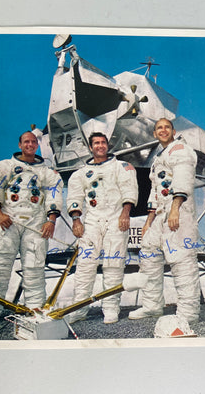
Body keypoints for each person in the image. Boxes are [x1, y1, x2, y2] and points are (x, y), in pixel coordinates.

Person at [0, 131, 64, 327]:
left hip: (35, 225)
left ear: (37, 145)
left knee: (34, 269)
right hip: (8, 221)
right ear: (20, 144)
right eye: (26, 141)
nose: (30, 144)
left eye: (33, 142)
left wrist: (51, 221)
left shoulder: (47, 172)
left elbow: (54, 195)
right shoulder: (4, 167)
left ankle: (34, 310)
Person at [128, 118, 201, 323]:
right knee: (148, 254)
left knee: (181, 260)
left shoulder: (180, 149)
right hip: (160, 214)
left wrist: (175, 209)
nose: (163, 130)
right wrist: (148, 222)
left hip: (178, 211)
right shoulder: (158, 158)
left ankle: (188, 313)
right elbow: (155, 191)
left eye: (166, 127)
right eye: (159, 128)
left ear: (173, 131)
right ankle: (152, 305)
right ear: (154, 133)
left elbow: (183, 179)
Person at [67, 132, 138, 324]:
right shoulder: (80, 174)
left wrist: (125, 213)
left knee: (113, 265)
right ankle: (79, 308)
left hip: (116, 219)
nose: (100, 146)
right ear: (90, 147)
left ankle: (110, 308)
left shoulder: (122, 167)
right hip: (92, 221)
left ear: (108, 145)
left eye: (103, 142)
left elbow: (129, 190)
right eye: (96, 143)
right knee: (85, 266)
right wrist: (76, 220)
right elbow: (74, 198)